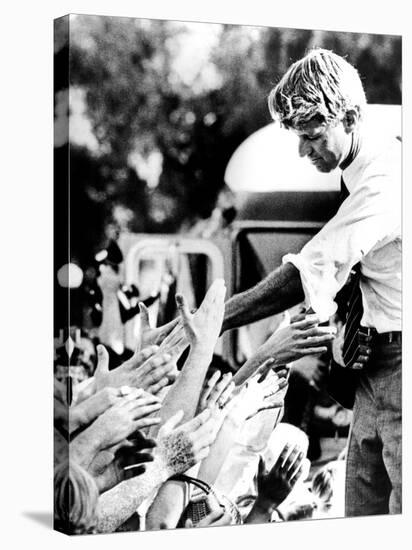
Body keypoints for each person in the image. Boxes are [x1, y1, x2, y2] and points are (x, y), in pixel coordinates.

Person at [222, 48, 401, 517]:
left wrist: (217, 320)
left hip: (401, 371)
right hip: (372, 373)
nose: (305, 152)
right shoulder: (358, 173)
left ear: (351, 116)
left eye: (313, 136)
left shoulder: (387, 178)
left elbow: (312, 268)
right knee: (362, 516)